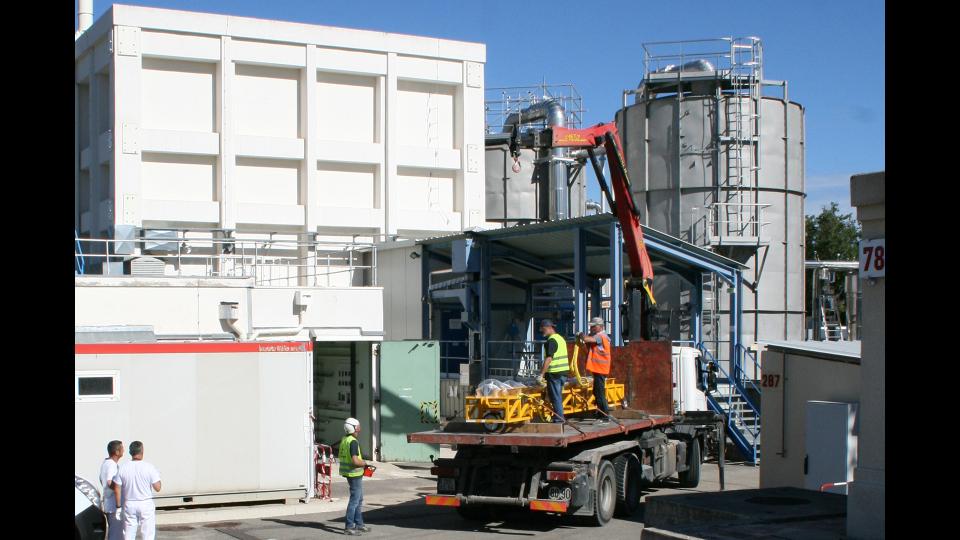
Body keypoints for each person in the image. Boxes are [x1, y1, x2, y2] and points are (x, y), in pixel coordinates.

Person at [113, 441, 161, 540]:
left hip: (130, 503)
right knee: (148, 534)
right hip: (145, 503)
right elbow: (158, 487)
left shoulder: (123, 468)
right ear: (142, 451)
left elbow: (117, 488)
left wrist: (118, 507)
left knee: (129, 533)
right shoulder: (149, 467)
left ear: (130, 452)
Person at [339, 418, 371, 536]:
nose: (359, 429)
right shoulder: (353, 442)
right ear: (353, 428)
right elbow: (355, 461)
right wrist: (365, 464)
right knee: (354, 501)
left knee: (359, 499)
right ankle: (349, 527)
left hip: (350, 473)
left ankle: (359, 524)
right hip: (354, 474)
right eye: (358, 426)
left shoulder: (345, 439)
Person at [579, 317, 612, 423]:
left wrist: (581, 334)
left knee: (600, 393)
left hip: (600, 369)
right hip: (598, 369)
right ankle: (600, 413)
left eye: (594, 326)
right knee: (597, 392)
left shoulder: (601, 336)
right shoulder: (600, 336)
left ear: (600, 326)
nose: (592, 328)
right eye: (591, 326)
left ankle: (604, 416)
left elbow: (587, 339)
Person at [538, 319, 572, 423]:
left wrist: (541, 374)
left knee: (555, 397)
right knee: (558, 396)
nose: (542, 331)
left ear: (549, 328)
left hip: (555, 373)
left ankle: (559, 419)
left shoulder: (551, 341)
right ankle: (558, 417)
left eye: (543, 329)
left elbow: (549, 358)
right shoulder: (560, 338)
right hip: (563, 373)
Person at [99, 440, 124, 540]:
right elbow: (110, 482)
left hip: (109, 503)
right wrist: (120, 487)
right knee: (116, 533)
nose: (123, 450)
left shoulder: (105, 463)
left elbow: (101, 479)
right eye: (122, 448)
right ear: (117, 452)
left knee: (115, 532)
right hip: (113, 505)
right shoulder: (111, 465)